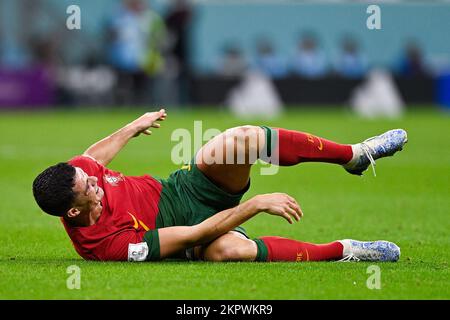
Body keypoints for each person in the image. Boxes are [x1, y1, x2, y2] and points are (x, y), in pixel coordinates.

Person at [32, 109, 407, 263]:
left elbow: (91, 157)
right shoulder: (104, 247)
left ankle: (354, 155)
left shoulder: (78, 173)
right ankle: (346, 250)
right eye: (89, 188)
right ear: (74, 211)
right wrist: (255, 203)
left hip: (184, 190)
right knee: (228, 251)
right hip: (192, 234)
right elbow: (196, 231)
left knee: (240, 138)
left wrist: (133, 126)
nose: (95, 182)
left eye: (88, 177)